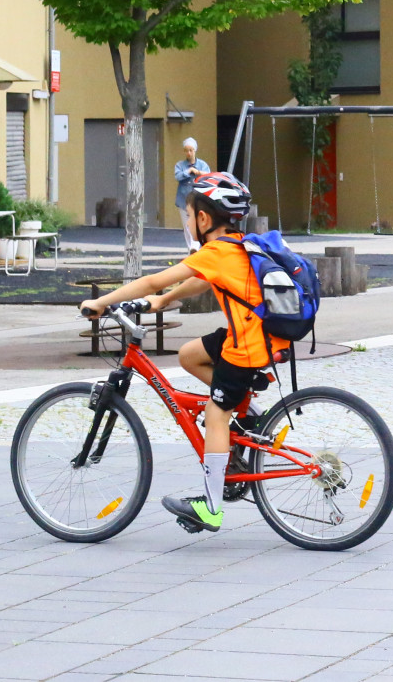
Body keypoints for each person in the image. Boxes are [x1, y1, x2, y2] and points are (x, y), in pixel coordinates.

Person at [79, 171, 286, 535]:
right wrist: (165, 300)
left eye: (188, 215)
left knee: (215, 412)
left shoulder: (217, 250)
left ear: (203, 219)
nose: (188, 222)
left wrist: (102, 302)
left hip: (248, 344)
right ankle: (248, 411)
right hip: (257, 333)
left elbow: (152, 279)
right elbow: (200, 281)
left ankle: (211, 508)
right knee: (190, 355)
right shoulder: (235, 246)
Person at [173, 138, 209, 253]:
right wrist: (188, 171)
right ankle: (191, 248)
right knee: (187, 226)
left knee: (197, 223)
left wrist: (197, 172)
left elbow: (208, 175)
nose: (189, 153)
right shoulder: (180, 165)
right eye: (186, 150)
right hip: (183, 200)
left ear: (195, 150)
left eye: (191, 150)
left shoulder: (202, 165)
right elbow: (177, 176)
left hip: (198, 200)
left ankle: (195, 246)